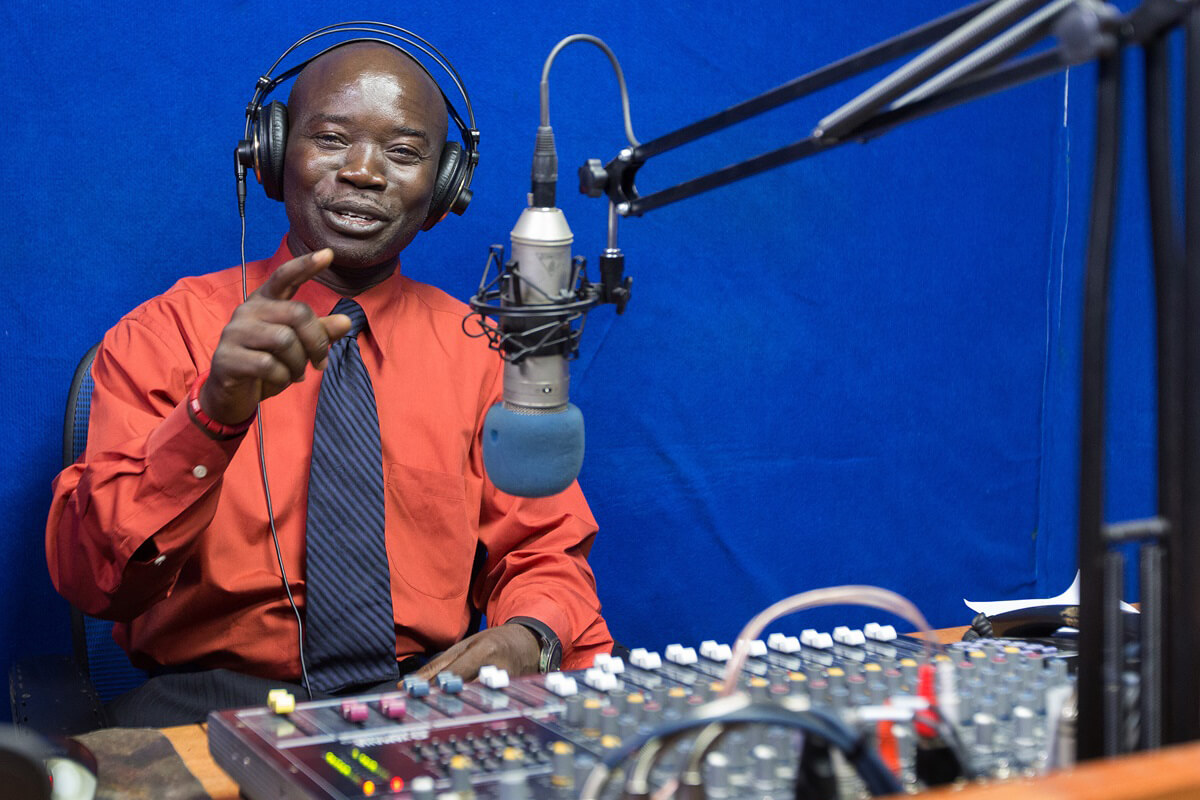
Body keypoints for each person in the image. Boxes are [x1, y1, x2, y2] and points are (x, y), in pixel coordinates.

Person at [45, 40, 612, 726]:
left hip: (424, 702)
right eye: (331, 139)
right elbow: (90, 579)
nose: (365, 172)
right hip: (210, 705)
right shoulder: (165, 333)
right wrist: (210, 415)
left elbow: (544, 551)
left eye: (403, 153)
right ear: (275, 154)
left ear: (443, 188)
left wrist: (529, 637)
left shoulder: (484, 353)